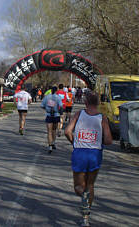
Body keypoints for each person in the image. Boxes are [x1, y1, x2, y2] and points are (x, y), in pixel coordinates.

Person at [64, 90, 112, 227]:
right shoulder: (102, 118)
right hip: (95, 154)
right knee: (90, 185)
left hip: (79, 152)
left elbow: (67, 131)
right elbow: (109, 141)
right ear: (98, 103)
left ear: (85, 102)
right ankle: (85, 216)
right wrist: (97, 138)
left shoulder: (79, 114)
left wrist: (74, 141)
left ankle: (83, 197)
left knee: (79, 187)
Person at [41, 86, 63, 153]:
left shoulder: (46, 97)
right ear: (56, 90)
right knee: (54, 130)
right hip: (56, 115)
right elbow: (61, 106)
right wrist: (61, 113)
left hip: (49, 115)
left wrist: (46, 109)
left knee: (49, 131)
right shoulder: (58, 97)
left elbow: (42, 106)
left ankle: (50, 146)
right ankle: (53, 142)